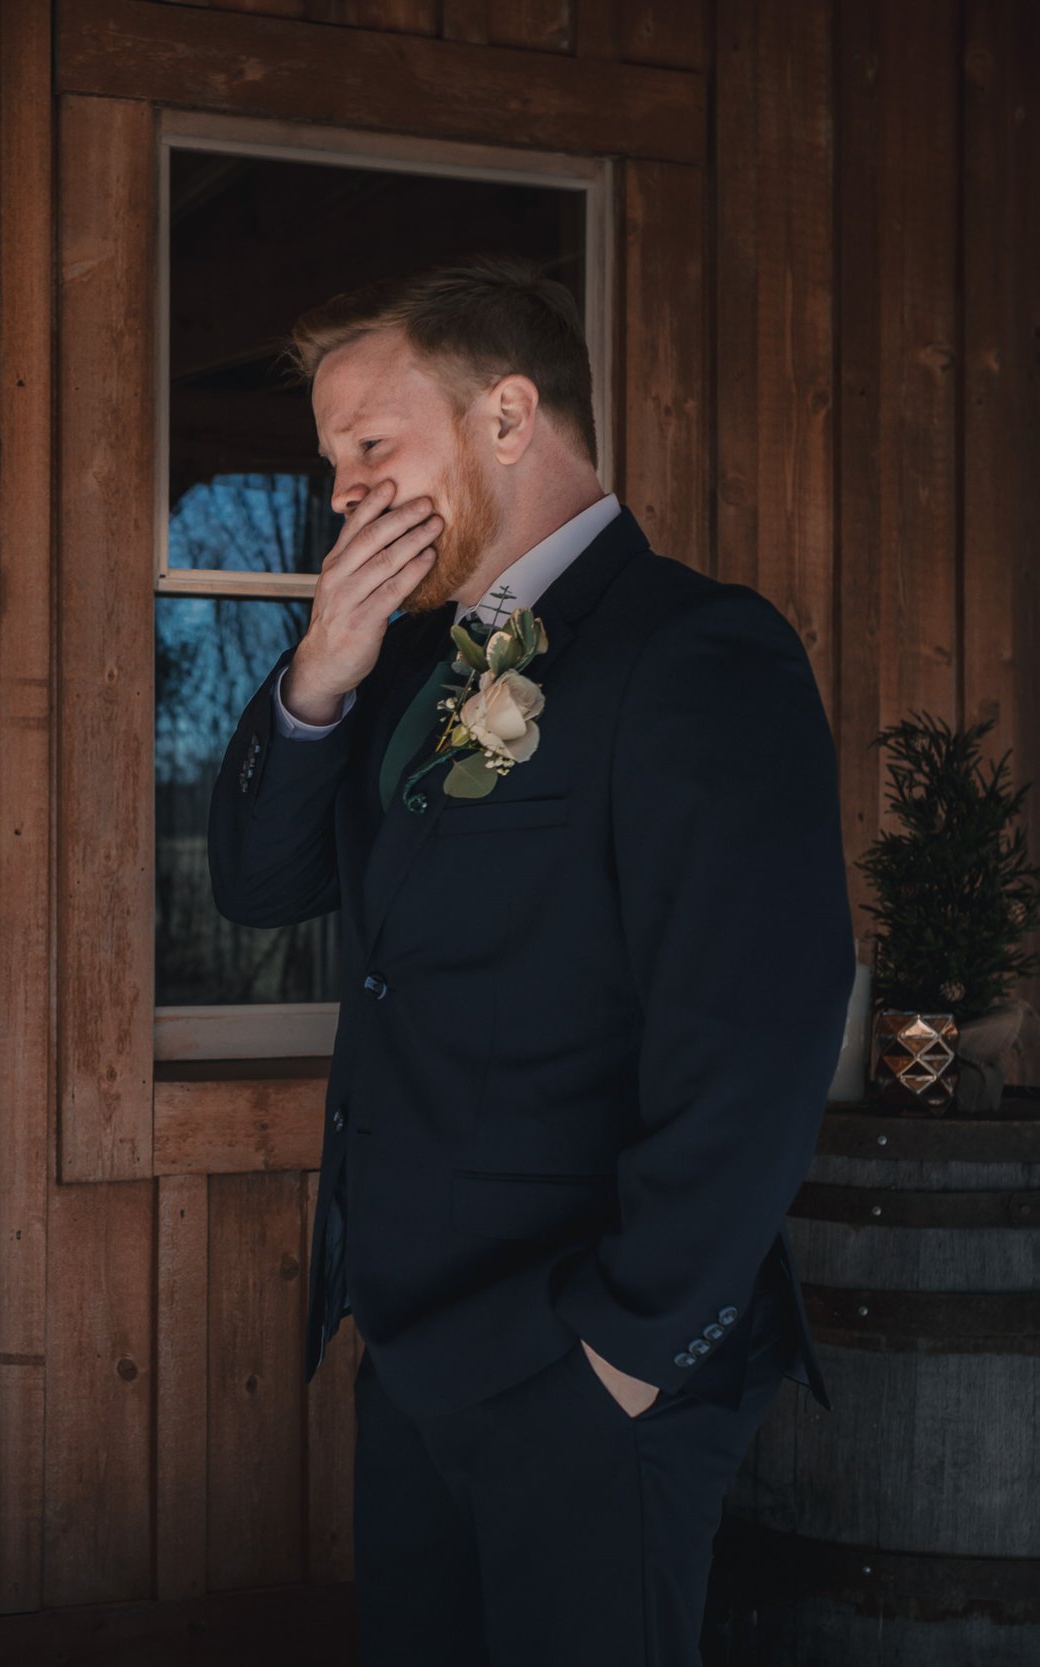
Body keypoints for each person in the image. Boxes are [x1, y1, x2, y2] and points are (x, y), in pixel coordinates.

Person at [207, 256, 852, 1664]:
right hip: (416, 1347)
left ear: (508, 416)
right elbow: (260, 888)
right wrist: (318, 675)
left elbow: (762, 1031)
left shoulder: (699, 650)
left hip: (587, 1364)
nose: (344, 492)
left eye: (371, 445)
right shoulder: (399, 660)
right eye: (331, 463)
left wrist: (621, 1357)